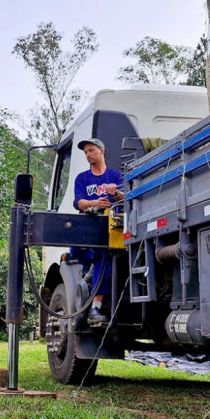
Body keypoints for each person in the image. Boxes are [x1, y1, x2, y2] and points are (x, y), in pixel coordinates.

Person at [71, 138, 124, 327]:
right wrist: (95, 203)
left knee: (103, 258)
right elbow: (78, 203)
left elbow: (126, 198)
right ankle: (89, 273)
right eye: (85, 152)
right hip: (87, 229)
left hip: (108, 231)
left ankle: (95, 306)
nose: (88, 155)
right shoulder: (82, 178)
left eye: (91, 150)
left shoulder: (116, 176)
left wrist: (116, 192)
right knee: (75, 249)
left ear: (102, 151)